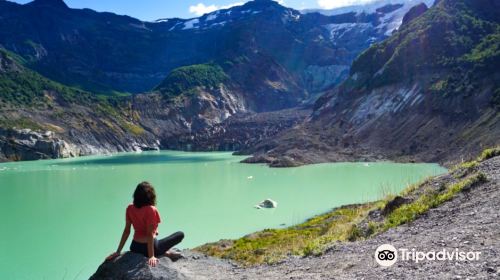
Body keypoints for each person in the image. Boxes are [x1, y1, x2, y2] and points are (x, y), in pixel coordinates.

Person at [105, 181, 184, 266]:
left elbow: (126, 231)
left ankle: (165, 253)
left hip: (135, 247)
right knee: (180, 234)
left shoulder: (130, 208)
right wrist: (151, 256)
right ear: (151, 195)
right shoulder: (151, 209)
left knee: (157, 238)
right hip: (150, 248)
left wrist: (118, 251)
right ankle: (164, 253)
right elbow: (149, 234)